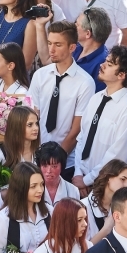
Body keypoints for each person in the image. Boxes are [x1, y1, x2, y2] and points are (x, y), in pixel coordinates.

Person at [28, 20, 96, 176]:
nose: (51, 49)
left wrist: (54, 161)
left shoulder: (85, 83)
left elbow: (76, 130)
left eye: (58, 45)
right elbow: (32, 113)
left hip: (65, 162)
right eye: (50, 43)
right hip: (35, 157)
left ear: (72, 47)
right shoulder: (40, 75)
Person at [73, 47, 127, 195]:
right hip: (81, 181)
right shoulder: (96, 98)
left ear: (122, 75)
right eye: (106, 61)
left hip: (107, 188)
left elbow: (118, 153)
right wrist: (78, 173)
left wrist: (88, 180)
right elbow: (82, 138)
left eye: (110, 64)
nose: (102, 65)